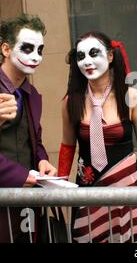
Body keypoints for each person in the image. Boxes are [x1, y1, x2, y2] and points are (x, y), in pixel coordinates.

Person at [58, 31, 137, 243]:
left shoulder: (132, 97)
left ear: (110, 56)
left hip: (128, 189)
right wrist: (58, 188)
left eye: (94, 53)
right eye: (81, 56)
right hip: (89, 190)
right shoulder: (71, 102)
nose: (87, 61)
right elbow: (67, 146)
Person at [0, 14, 57, 242]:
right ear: (6, 49)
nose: (36, 57)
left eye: (40, 50)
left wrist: (41, 160)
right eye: (27, 48)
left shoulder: (30, 95)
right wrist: (22, 175)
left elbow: (34, 140)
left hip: (26, 204)